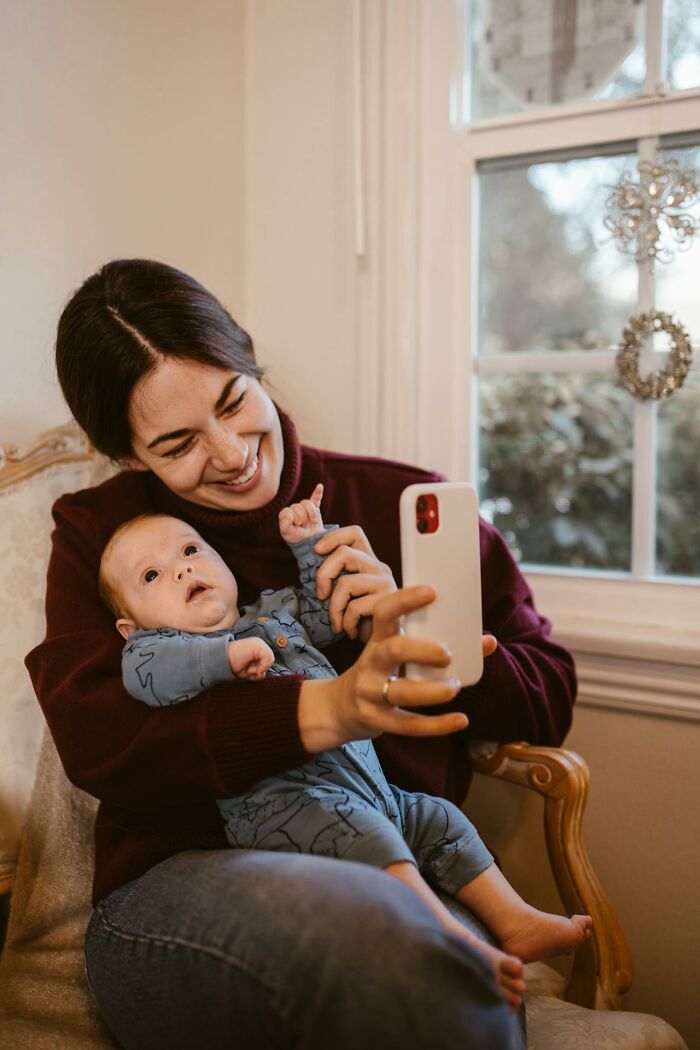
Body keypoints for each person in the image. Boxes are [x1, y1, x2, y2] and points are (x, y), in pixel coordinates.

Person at [26, 258, 577, 1050]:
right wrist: (325, 707)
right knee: (385, 947)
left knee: (446, 974)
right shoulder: (108, 541)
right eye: (178, 442)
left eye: (233, 401)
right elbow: (98, 738)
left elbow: (549, 692)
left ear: (250, 360)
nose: (231, 454)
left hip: (401, 859)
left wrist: (423, 642)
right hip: (184, 882)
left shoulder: (396, 503)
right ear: (128, 455)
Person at [99, 495, 591, 1011]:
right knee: (369, 836)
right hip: (284, 808)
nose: (181, 570)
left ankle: (516, 921)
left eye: (190, 551)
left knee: (438, 817)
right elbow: (149, 677)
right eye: (152, 576)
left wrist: (310, 545)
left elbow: (327, 614)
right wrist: (223, 656)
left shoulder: (272, 614)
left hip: (371, 790)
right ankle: (451, 942)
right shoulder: (153, 648)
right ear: (131, 627)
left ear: (222, 562)